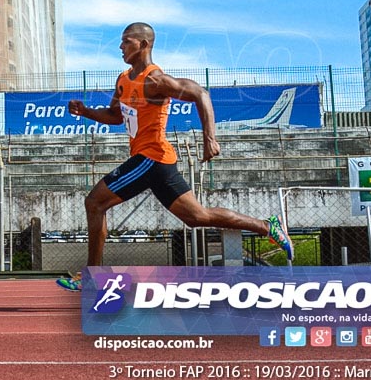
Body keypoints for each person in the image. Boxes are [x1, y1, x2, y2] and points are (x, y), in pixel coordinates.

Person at [56, 22, 294, 291]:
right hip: (157, 163)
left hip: (151, 157)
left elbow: (200, 94)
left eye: (127, 41)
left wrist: (210, 138)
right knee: (196, 217)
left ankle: (92, 276)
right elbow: (115, 116)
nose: (121, 47)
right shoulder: (123, 81)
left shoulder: (155, 81)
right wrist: (86, 111)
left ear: (144, 45)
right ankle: (266, 226)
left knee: (95, 203)